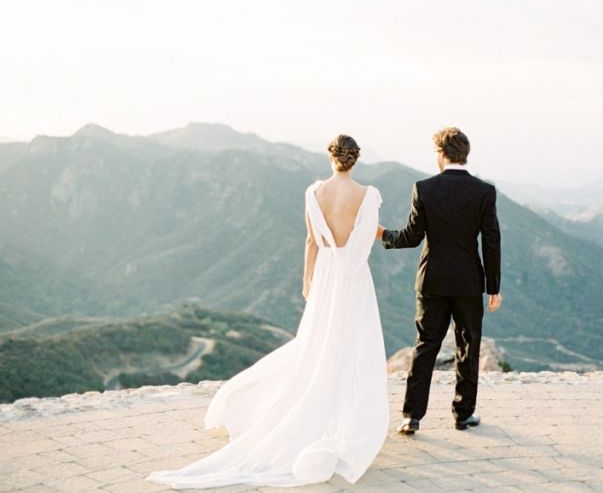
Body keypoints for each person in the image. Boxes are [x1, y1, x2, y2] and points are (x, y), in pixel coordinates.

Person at [147, 134, 388, 489]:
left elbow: (311, 240)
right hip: (352, 281)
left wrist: (308, 279)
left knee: (316, 344)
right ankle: (343, 421)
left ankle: (311, 412)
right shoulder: (367, 195)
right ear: (356, 159)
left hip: (325, 275)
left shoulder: (315, 193)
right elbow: (363, 242)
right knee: (352, 346)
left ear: (331, 157)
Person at [376, 126, 501, 434]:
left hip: (431, 280)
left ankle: (411, 416)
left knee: (425, 346)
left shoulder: (424, 188)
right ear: (464, 154)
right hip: (468, 283)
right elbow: (491, 242)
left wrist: (382, 234)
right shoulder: (484, 192)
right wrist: (493, 287)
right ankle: (462, 414)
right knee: (468, 347)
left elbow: (411, 237)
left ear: (442, 154)